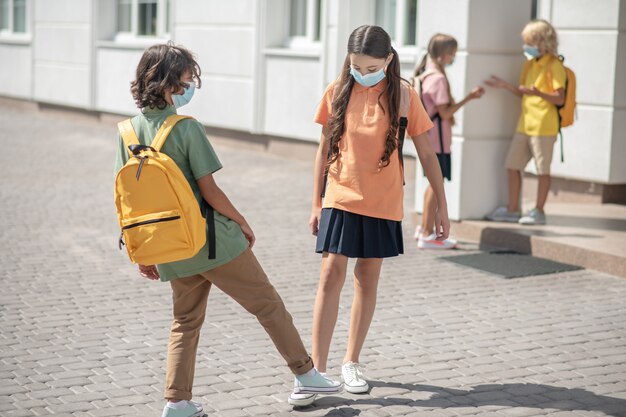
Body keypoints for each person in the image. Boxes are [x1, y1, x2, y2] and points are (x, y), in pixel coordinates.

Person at [114, 43, 342, 417]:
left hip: (169, 245)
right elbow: (211, 191)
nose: (190, 88)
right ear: (170, 83)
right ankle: (305, 374)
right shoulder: (187, 129)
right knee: (267, 304)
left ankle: (177, 402)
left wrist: (141, 251)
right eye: (187, 80)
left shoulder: (126, 132)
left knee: (184, 323)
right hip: (213, 240)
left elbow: (125, 202)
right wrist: (241, 221)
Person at [298, 25, 451, 406]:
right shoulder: (337, 91)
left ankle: (351, 362)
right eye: (355, 66)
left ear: (388, 59)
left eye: (370, 66)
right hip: (340, 193)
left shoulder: (403, 95)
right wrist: (316, 202)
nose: (362, 72)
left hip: (382, 201)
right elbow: (323, 148)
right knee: (331, 272)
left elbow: (428, 154)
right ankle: (315, 370)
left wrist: (443, 207)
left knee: (366, 278)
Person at [484, 19, 566, 225]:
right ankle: (513, 210)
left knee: (542, 170)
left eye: (528, 41)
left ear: (541, 41)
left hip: (544, 126)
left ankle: (539, 211)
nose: (525, 46)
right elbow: (525, 93)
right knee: (512, 165)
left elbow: (560, 98)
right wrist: (504, 86)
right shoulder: (530, 64)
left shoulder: (554, 65)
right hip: (525, 124)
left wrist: (539, 92)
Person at [412, 33, 484, 249]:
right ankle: (427, 233)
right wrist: (469, 98)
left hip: (429, 138)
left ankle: (424, 230)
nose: (453, 58)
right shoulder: (439, 78)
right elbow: (445, 113)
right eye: (452, 54)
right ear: (443, 55)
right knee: (436, 183)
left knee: (433, 183)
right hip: (438, 141)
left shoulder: (425, 74)